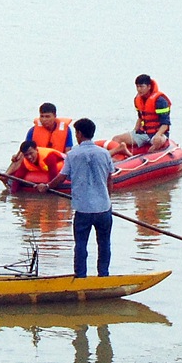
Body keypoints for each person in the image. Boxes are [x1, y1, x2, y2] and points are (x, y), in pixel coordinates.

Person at [37, 118, 114, 278]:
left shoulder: (72, 155)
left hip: (83, 209)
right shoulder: (104, 153)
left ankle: (80, 276)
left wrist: (47, 186)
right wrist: (108, 200)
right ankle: (104, 275)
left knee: (80, 245)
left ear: (79, 134)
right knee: (104, 244)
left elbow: (61, 177)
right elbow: (109, 179)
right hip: (104, 208)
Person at [109, 74, 170, 156]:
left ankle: (152, 155)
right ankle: (121, 158)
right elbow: (140, 118)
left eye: (141, 86)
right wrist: (134, 132)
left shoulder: (160, 101)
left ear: (149, 86)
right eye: (137, 86)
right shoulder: (137, 99)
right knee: (116, 139)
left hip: (158, 133)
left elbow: (165, 124)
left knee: (157, 140)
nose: (139, 89)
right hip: (143, 133)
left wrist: (158, 135)